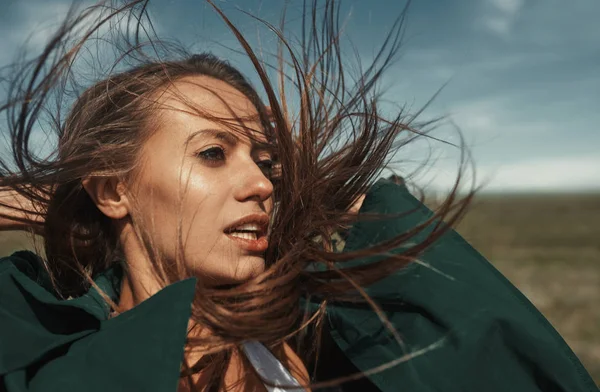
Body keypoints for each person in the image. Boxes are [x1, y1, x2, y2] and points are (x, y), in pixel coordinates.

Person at [0, 1, 596, 391]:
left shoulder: (285, 341)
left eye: (264, 162)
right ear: (111, 189)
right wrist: (65, 199)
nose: (263, 185)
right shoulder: (74, 367)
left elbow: (487, 348)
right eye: (213, 153)